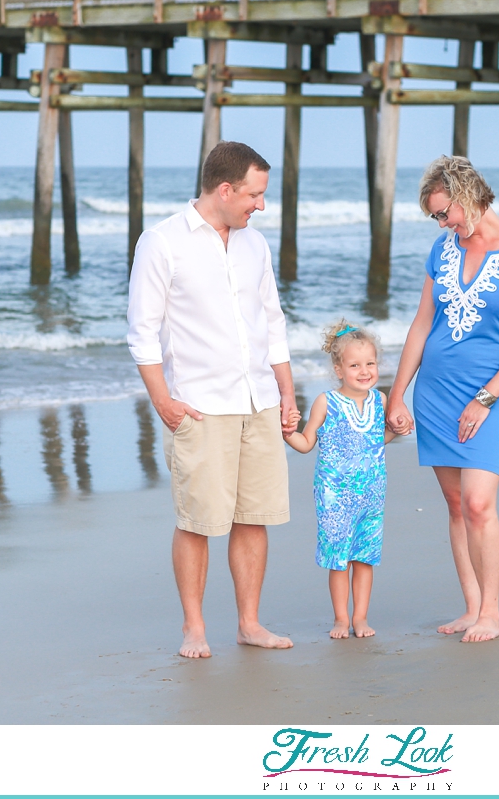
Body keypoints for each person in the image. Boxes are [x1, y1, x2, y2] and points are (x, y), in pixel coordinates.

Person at [127, 141, 297, 659]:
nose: (260, 206)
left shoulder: (255, 246)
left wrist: (287, 391)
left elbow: (272, 321)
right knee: (197, 520)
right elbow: (142, 330)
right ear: (225, 190)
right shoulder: (162, 243)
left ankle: (249, 623)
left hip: (259, 400)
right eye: (255, 195)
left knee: (254, 516)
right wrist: (163, 400)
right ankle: (194, 628)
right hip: (199, 405)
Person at [385, 156, 499, 643]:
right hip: (435, 394)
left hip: (489, 397)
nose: (442, 224)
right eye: (436, 217)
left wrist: (485, 398)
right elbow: (421, 325)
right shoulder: (443, 249)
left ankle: (492, 614)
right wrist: (398, 394)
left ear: (469, 196)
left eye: (444, 213)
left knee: (479, 503)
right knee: (457, 505)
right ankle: (472, 606)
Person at [284, 321, 402, 640]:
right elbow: (307, 443)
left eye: (370, 364)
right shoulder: (326, 402)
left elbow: (377, 438)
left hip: (372, 493)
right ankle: (340, 618)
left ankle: (360, 618)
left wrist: (398, 430)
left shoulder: (379, 400)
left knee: (364, 557)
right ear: (338, 369)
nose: (364, 371)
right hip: (334, 495)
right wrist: (287, 434)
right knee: (339, 559)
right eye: (354, 365)